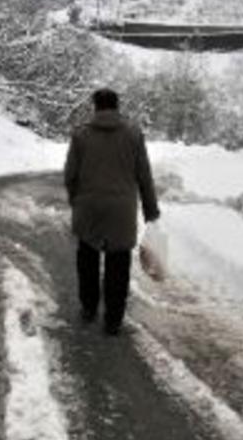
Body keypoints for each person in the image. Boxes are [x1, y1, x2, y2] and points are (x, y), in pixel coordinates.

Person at [63, 88, 160, 336]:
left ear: (96, 107)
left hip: (89, 208)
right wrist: (150, 209)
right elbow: (144, 177)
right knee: (118, 265)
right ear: (117, 107)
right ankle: (113, 320)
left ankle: (89, 308)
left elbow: (70, 174)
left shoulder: (80, 135)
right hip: (121, 211)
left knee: (87, 260)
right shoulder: (134, 135)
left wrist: (77, 200)